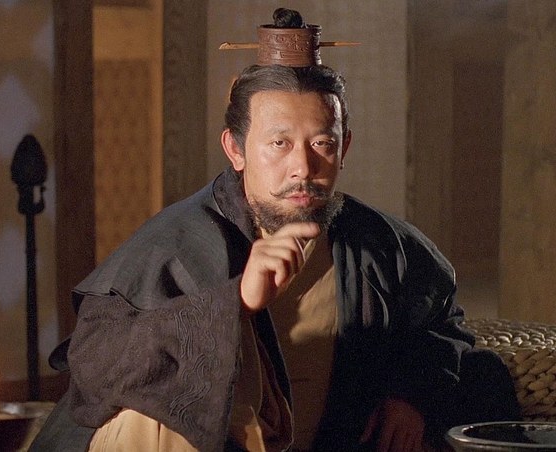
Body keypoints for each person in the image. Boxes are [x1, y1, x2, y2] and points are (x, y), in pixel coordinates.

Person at [30, 8, 521, 452]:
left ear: (344, 148)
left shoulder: (382, 245)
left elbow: (441, 327)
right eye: (279, 143)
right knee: (159, 412)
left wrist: (411, 396)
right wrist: (235, 303)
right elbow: (95, 364)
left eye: (322, 143)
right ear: (236, 149)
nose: (302, 167)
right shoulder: (173, 244)